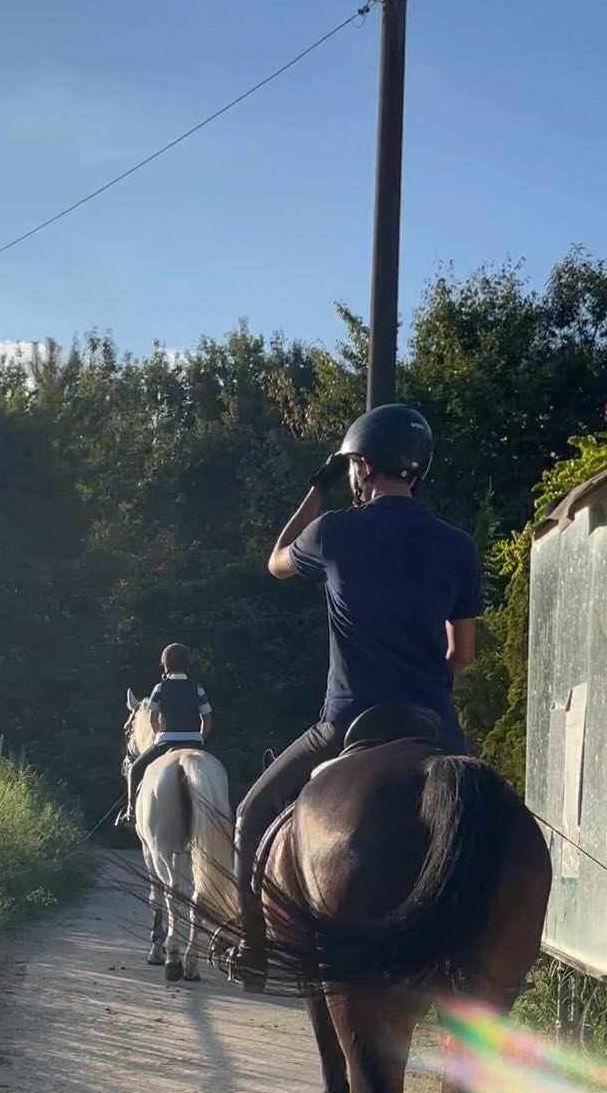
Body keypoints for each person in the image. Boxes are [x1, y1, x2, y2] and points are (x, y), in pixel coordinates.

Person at [233, 402, 482, 988]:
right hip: (435, 725)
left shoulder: (335, 530)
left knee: (249, 816)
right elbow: (462, 654)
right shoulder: (457, 546)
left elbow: (274, 563)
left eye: (351, 466)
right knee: (489, 821)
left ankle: (253, 954)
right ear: (415, 470)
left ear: (363, 468)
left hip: (345, 723)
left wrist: (318, 489)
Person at [116, 643, 213, 827]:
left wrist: (159, 735)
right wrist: (201, 738)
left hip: (165, 743)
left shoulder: (160, 688)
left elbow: (153, 717)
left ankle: (130, 812)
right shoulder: (198, 688)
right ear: (187, 665)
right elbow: (206, 718)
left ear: (166, 666)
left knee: (135, 770)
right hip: (194, 743)